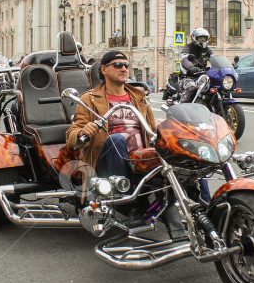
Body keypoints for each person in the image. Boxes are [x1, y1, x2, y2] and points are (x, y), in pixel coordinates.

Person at [67, 51, 157, 184]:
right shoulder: (89, 99)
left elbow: (153, 131)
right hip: (104, 164)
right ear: (103, 69)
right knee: (117, 140)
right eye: (117, 65)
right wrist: (83, 132)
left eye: (126, 65)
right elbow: (71, 136)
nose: (123, 69)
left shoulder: (139, 98)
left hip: (139, 159)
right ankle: (124, 193)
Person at [179, 28, 214, 103]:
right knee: (191, 86)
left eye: (204, 38)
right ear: (195, 38)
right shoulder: (188, 47)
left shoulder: (207, 49)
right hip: (188, 76)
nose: (202, 40)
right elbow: (185, 60)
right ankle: (182, 107)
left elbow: (214, 58)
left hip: (202, 76)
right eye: (200, 38)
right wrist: (191, 67)